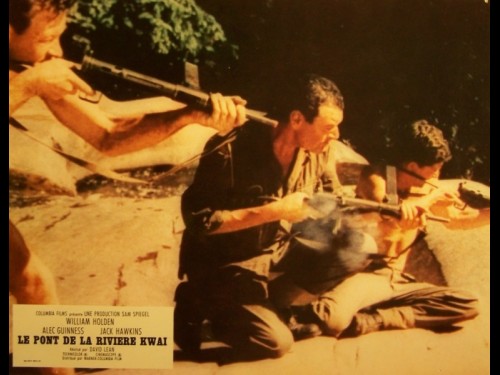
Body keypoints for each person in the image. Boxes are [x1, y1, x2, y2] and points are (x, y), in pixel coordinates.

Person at [9, 1, 246, 374]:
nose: (56, 51)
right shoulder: (31, 75)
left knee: (35, 285)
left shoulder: (35, 67)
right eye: (46, 38)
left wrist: (186, 115)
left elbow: (107, 136)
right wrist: (30, 83)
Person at [174, 73, 346, 361]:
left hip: (271, 255)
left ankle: (268, 307)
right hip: (224, 265)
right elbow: (199, 220)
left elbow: (338, 202)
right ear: (296, 119)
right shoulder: (230, 147)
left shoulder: (318, 153)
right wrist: (274, 211)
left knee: (355, 247)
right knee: (276, 343)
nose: (336, 136)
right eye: (329, 127)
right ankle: (198, 304)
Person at [286, 120, 489, 338]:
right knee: (331, 321)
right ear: (412, 167)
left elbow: (460, 219)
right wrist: (431, 199)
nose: (437, 178)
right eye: (434, 171)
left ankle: (373, 320)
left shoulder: (427, 190)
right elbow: (388, 213)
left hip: (398, 281)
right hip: (365, 275)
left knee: (467, 303)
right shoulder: (376, 178)